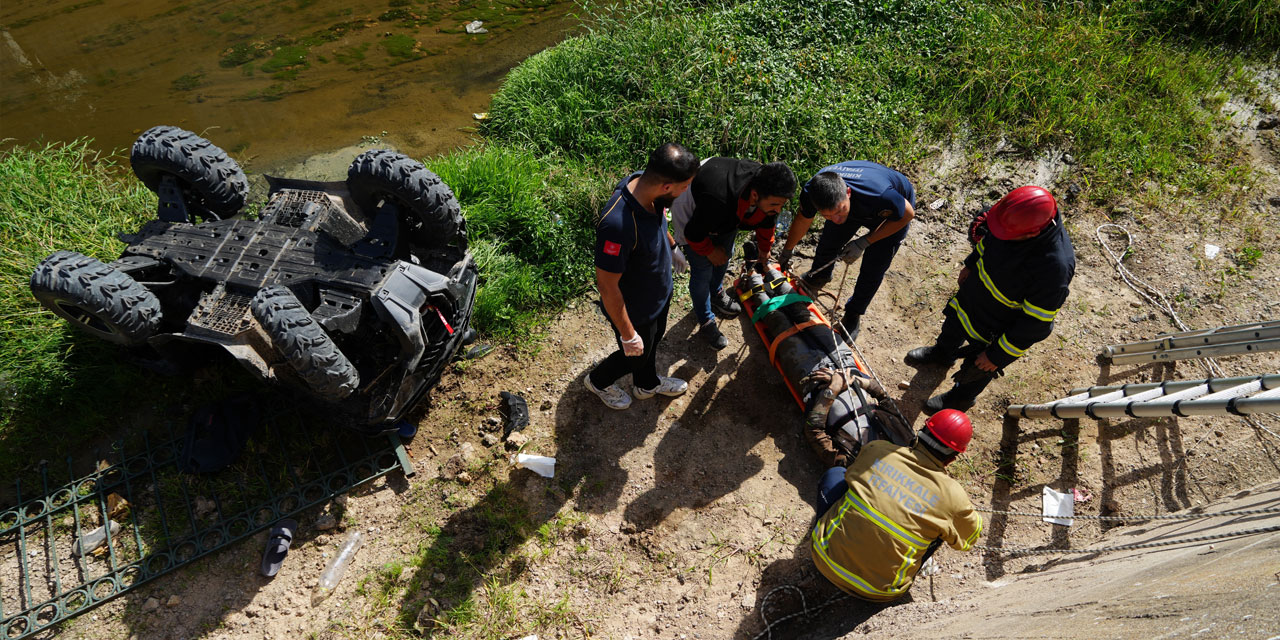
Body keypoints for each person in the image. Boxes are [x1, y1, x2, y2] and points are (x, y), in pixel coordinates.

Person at [904, 185, 1076, 415]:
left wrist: (997, 355)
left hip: (996, 326)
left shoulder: (1054, 268)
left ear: (1032, 233)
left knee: (977, 368)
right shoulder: (1012, 220)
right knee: (952, 326)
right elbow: (989, 240)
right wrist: (971, 263)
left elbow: (1035, 323)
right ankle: (941, 355)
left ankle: (960, 398)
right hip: (972, 298)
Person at [810, 409, 982, 602]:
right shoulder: (953, 497)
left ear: (921, 432)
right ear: (952, 458)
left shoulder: (878, 450)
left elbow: (850, 476)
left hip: (824, 560)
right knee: (944, 530)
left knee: (836, 476)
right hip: (880, 592)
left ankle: (834, 539)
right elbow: (970, 538)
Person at [585, 143, 700, 410]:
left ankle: (646, 384)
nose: (686, 192)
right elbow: (607, 286)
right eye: (685, 187)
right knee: (633, 354)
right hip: (636, 309)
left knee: (653, 341)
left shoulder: (648, 187)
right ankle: (598, 381)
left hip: (658, 295)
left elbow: (659, 219)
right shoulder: (617, 225)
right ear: (667, 187)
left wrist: (671, 247)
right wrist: (627, 334)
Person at [774, 161, 916, 340]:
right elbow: (803, 220)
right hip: (854, 205)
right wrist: (787, 250)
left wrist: (864, 241)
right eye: (827, 216)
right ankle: (820, 276)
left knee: (874, 267)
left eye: (839, 212)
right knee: (828, 242)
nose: (836, 218)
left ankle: (853, 314)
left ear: (848, 193)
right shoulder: (814, 192)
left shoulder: (880, 195)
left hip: (893, 213)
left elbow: (907, 215)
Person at [670, 158, 797, 349]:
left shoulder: (765, 191)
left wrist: (764, 249)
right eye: (775, 204)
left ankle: (717, 293)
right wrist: (710, 251)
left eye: (781, 205)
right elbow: (693, 234)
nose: (778, 209)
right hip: (693, 210)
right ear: (755, 195)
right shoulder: (718, 199)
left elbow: (766, 221)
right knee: (702, 270)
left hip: (725, 209)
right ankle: (706, 320)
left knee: (725, 255)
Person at [798, 367, 911, 468]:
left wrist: (834, 388)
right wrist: (850, 380)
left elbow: (813, 431)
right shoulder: (906, 440)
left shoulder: (854, 465)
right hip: (849, 371)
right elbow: (884, 396)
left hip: (816, 387)